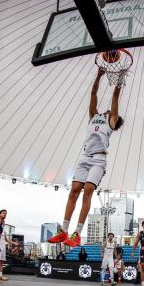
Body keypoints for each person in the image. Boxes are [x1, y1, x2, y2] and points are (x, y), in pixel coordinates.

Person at [48, 68, 125, 248]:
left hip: (98, 159)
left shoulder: (110, 121)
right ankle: (64, 230)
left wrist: (120, 78)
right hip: (84, 157)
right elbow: (93, 93)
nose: (106, 110)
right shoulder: (93, 116)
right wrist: (98, 75)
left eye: (109, 111)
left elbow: (115, 97)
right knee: (74, 190)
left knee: (88, 190)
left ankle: (77, 233)